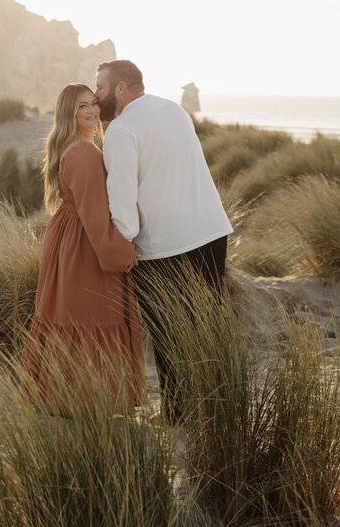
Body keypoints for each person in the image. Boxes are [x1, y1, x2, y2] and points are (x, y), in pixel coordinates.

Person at [95, 59, 232, 423]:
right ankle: (218, 406)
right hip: (212, 230)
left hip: (166, 245)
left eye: (101, 88)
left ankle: (176, 415)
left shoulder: (122, 130)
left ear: (122, 88)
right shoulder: (174, 109)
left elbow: (122, 204)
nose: (97, 97)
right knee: (208, 324)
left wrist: (121, 246)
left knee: (167, 332)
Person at [22, 83, 144, 415]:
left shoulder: (73, 146)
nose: (91, 111)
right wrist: (121, 253)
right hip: (84, 242)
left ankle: (66, 397)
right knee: (92, 315)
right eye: (81, 107)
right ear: (68, 114)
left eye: (93, 104)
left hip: (68, 236)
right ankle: (89, 401)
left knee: (69, 313)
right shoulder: (85, 153)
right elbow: (94, 213)